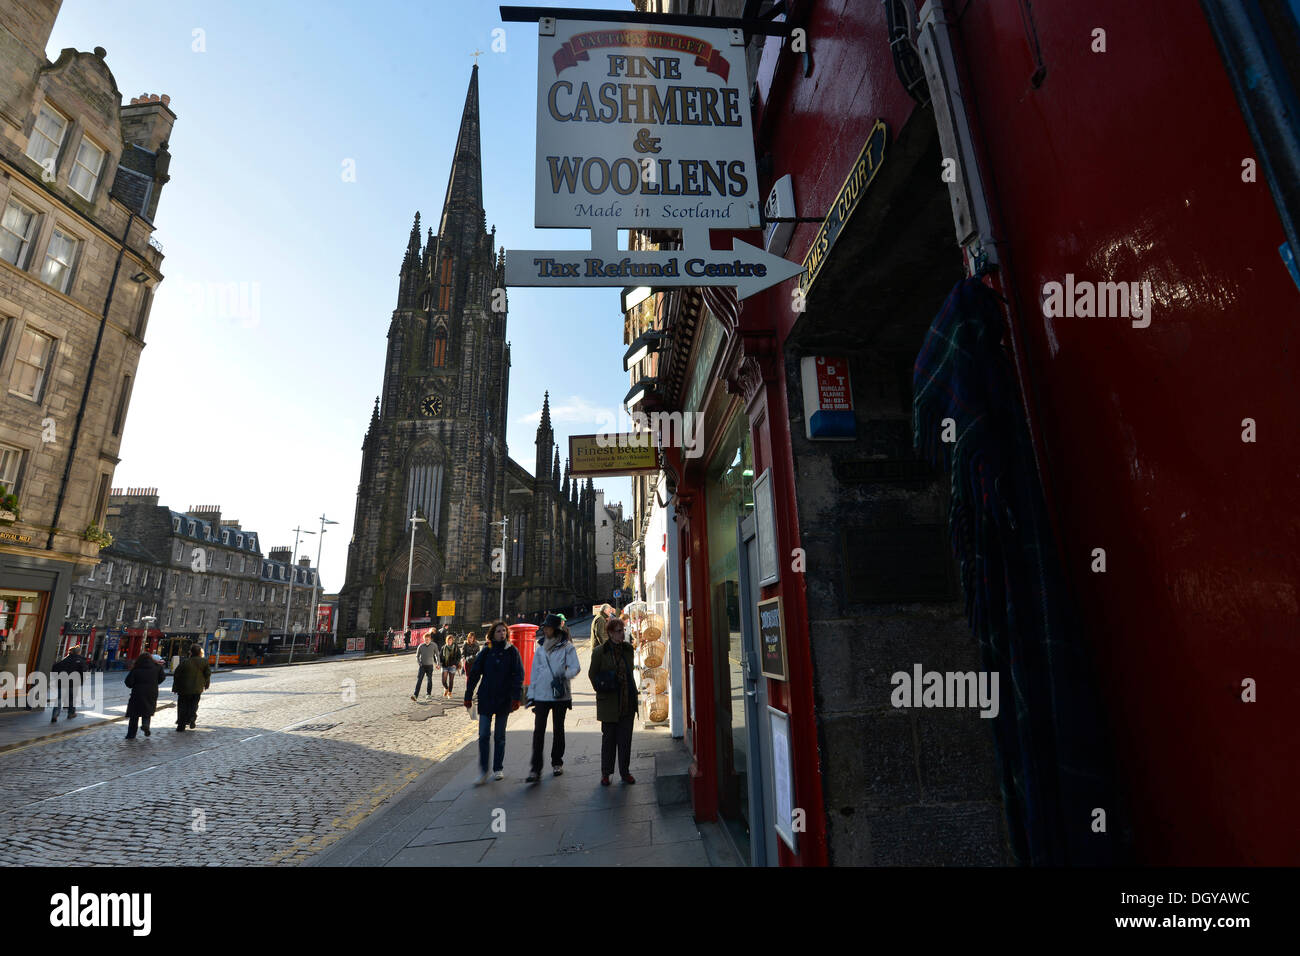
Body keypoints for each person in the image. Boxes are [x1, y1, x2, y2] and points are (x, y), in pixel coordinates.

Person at [464, 620, 524, 784]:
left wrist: (517, 697)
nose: (502, 634)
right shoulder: (486, 650)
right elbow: (475, 673)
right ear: (492, 634)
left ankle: (498, 768)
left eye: (504, 631)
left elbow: (518, 675)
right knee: (483, 735)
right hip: (486, 697)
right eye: (498, 631)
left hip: (504, 698)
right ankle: (483, 770)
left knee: (499, 736)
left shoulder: (512, 651)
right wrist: (468, 695)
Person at [525, 614, 581, 783]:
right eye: (544, 627)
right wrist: (530, 695)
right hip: (542, 695)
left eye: (548, 627)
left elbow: (576, 667)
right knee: (538, 733)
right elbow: (534, 671)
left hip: (559, 695)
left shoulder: (567, 647)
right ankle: (535, 769)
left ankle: (557, 763)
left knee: (558, 730)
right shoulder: (540, 648)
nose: (545, 629)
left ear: (555, 629)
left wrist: (563, 675)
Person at [589, 615, 637, 785]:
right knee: (608, 741)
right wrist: (602, 689)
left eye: (623, 631)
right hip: (609, 704)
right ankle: (606, 773)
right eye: (618, 631)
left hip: (627, 703)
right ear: (609, 633)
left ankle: (625, 772)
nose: (622, 634)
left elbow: (630, 673)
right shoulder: (599, 652)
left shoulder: (628, 649)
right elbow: (592, 675)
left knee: (625, 741)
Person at [124, 651, 165, 739]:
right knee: (147, 710)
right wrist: (155, 683)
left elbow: (128, 682)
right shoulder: (157, 668)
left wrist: (134, 684)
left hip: (137, 693)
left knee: (134, 714)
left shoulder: (136, 668)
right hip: (151, 692)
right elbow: (162, 677)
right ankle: (145, 725)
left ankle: (131, 734)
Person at [171, 644, 211, 731]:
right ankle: (192, 717)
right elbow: (207, 674)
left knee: (182, 706)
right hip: (197, 688)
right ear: (200, 652)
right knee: (193, 704)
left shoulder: (185, 662)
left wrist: (175, 688)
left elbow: (177, 675)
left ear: (191, 652)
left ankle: (181, 726)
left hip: (183, 689)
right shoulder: (204, 662)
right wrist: (206, 684)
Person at [49, 644, 88, 722]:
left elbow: (54, 668)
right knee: (72, 699)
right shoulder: (80, 661)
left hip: (62, 682)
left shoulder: (64, 659)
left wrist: (57, 678)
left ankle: (55, 715)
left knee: (59, 699)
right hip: (74, 683)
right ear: (78, 652)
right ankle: (71, 713)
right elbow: (83, 672)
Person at [412, 635, 437, 700]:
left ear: (430, 639)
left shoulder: (434, 645)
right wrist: (419, 663)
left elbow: (437, 655)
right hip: (422, 666)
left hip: (430, 666)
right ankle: (415, 695)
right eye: (425, 639)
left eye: (428, 639)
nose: (427, 641)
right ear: (424, 639)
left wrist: (438, 663)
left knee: (429, 680)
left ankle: (428, 694)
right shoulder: (421, 646)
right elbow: (417, 656)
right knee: (419, 680)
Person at [440, 634, 462, 698]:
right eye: (448, 640)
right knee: (443, 681)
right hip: (445, 666)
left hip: (452, 666)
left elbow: (459, 656)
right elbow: (440, 657)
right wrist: (439, 663)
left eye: (451, 640)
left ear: (452, 640)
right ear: (446, 641)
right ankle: (446, 688)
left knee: (451, 680)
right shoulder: (443, 647)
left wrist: (455, 664)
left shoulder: (455, 647)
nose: (449, 641)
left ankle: (449, 693)